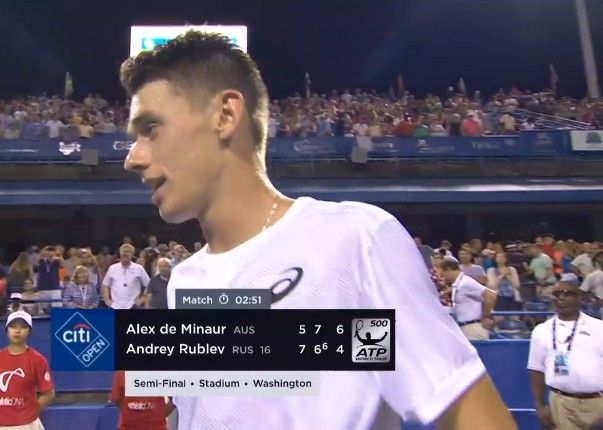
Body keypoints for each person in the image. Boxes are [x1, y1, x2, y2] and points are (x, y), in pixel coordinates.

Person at [120, 31, 515, 429]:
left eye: (150, 128)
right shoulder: (185, 280)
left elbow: (472, 417)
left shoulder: (355, 239)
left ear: (225, 115)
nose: (132, 158)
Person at [527, 280, 603, 429]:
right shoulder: (541, 330)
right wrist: (539, 406)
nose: (561, 298)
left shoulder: (599, 328)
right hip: (560, 402)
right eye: (556, 294)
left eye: (568, 293)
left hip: (597, 402)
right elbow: (535, 369)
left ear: (579, 297)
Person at [0, 311, 55, 429]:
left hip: (27, 424)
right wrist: (0, 411)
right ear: (7, 330)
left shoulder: (37, 360)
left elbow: (49, 394)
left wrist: (30, 412)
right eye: (13, 326)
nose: (17, 331)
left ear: (29, 332)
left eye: (23, 327)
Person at [438, 259, 496, 340]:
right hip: (464, 328)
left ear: (449, 269)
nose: (443, 278)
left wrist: (485, 316)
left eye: (443, 275)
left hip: (472, 328)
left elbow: (490, 295)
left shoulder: (466, 282)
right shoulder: (458, 284)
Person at [110, 370, 174, 430]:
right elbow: (117, 399)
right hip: (128, 426)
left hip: (156, 426)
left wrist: (158, 416)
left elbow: (175, 400)